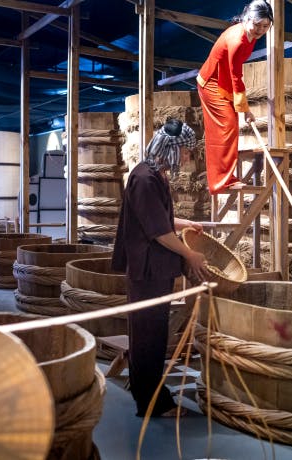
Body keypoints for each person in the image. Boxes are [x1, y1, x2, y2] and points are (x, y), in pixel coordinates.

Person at [111, 118, 210, 417]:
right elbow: (157, 232)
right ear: (171, 148)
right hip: (148, 270)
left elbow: (159, 220)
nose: (188, 157)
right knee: (148, 336)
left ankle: (145, 389)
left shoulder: (155, 175)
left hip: (156, 270)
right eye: (186, 152)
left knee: (150, 333)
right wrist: (190, 255)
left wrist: (185, 223)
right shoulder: (145, 178)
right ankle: (152, 402)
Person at [197, 0, 273, 194]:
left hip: (222, 82)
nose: (261, 30)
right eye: (257, 25)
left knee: (229, 126)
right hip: (211, 83)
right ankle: (222, 181)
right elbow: (236, 76)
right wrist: (245, 110)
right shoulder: (238, 40)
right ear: (247, 19)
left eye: (265, 26)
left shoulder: (249, 34)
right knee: (227, 127)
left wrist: (243, 109)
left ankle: (226, 178)